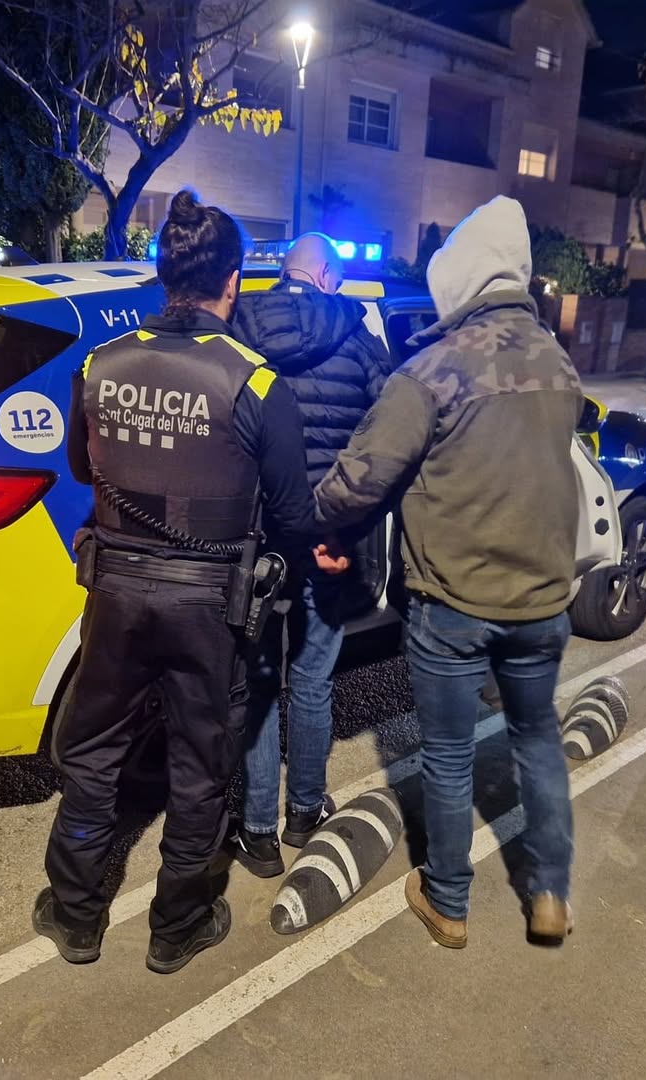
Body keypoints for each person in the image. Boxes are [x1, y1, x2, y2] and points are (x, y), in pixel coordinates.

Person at [34, 190, 347, 976]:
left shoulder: (101, 364)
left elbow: (82, 467)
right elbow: (289, 511)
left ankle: (74, 916)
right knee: (200, 761)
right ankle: (177, 927)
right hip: (211, 606)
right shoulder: (255, 382)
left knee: (94, 750)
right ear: (233, 282)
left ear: (162, 270)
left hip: (114, 593)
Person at [313, 196, 582, 948]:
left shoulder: (432, 369)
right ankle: (550, 894)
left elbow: (362, 476)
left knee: (449, 753)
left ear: (455, 278)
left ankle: (449, 901)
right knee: (537, 739)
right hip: (543, 601)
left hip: (453, 602)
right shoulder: (556, 360)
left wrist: (321, 524)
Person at [228, 233, 395, 876]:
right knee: (314, 675)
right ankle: (304, 811)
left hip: (258, 533)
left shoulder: (241, 325)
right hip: (329, 534)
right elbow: (390, 427)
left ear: (287, 272)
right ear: (326, 277)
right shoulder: (355, 334)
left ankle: (258, 833)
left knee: (261, 678)